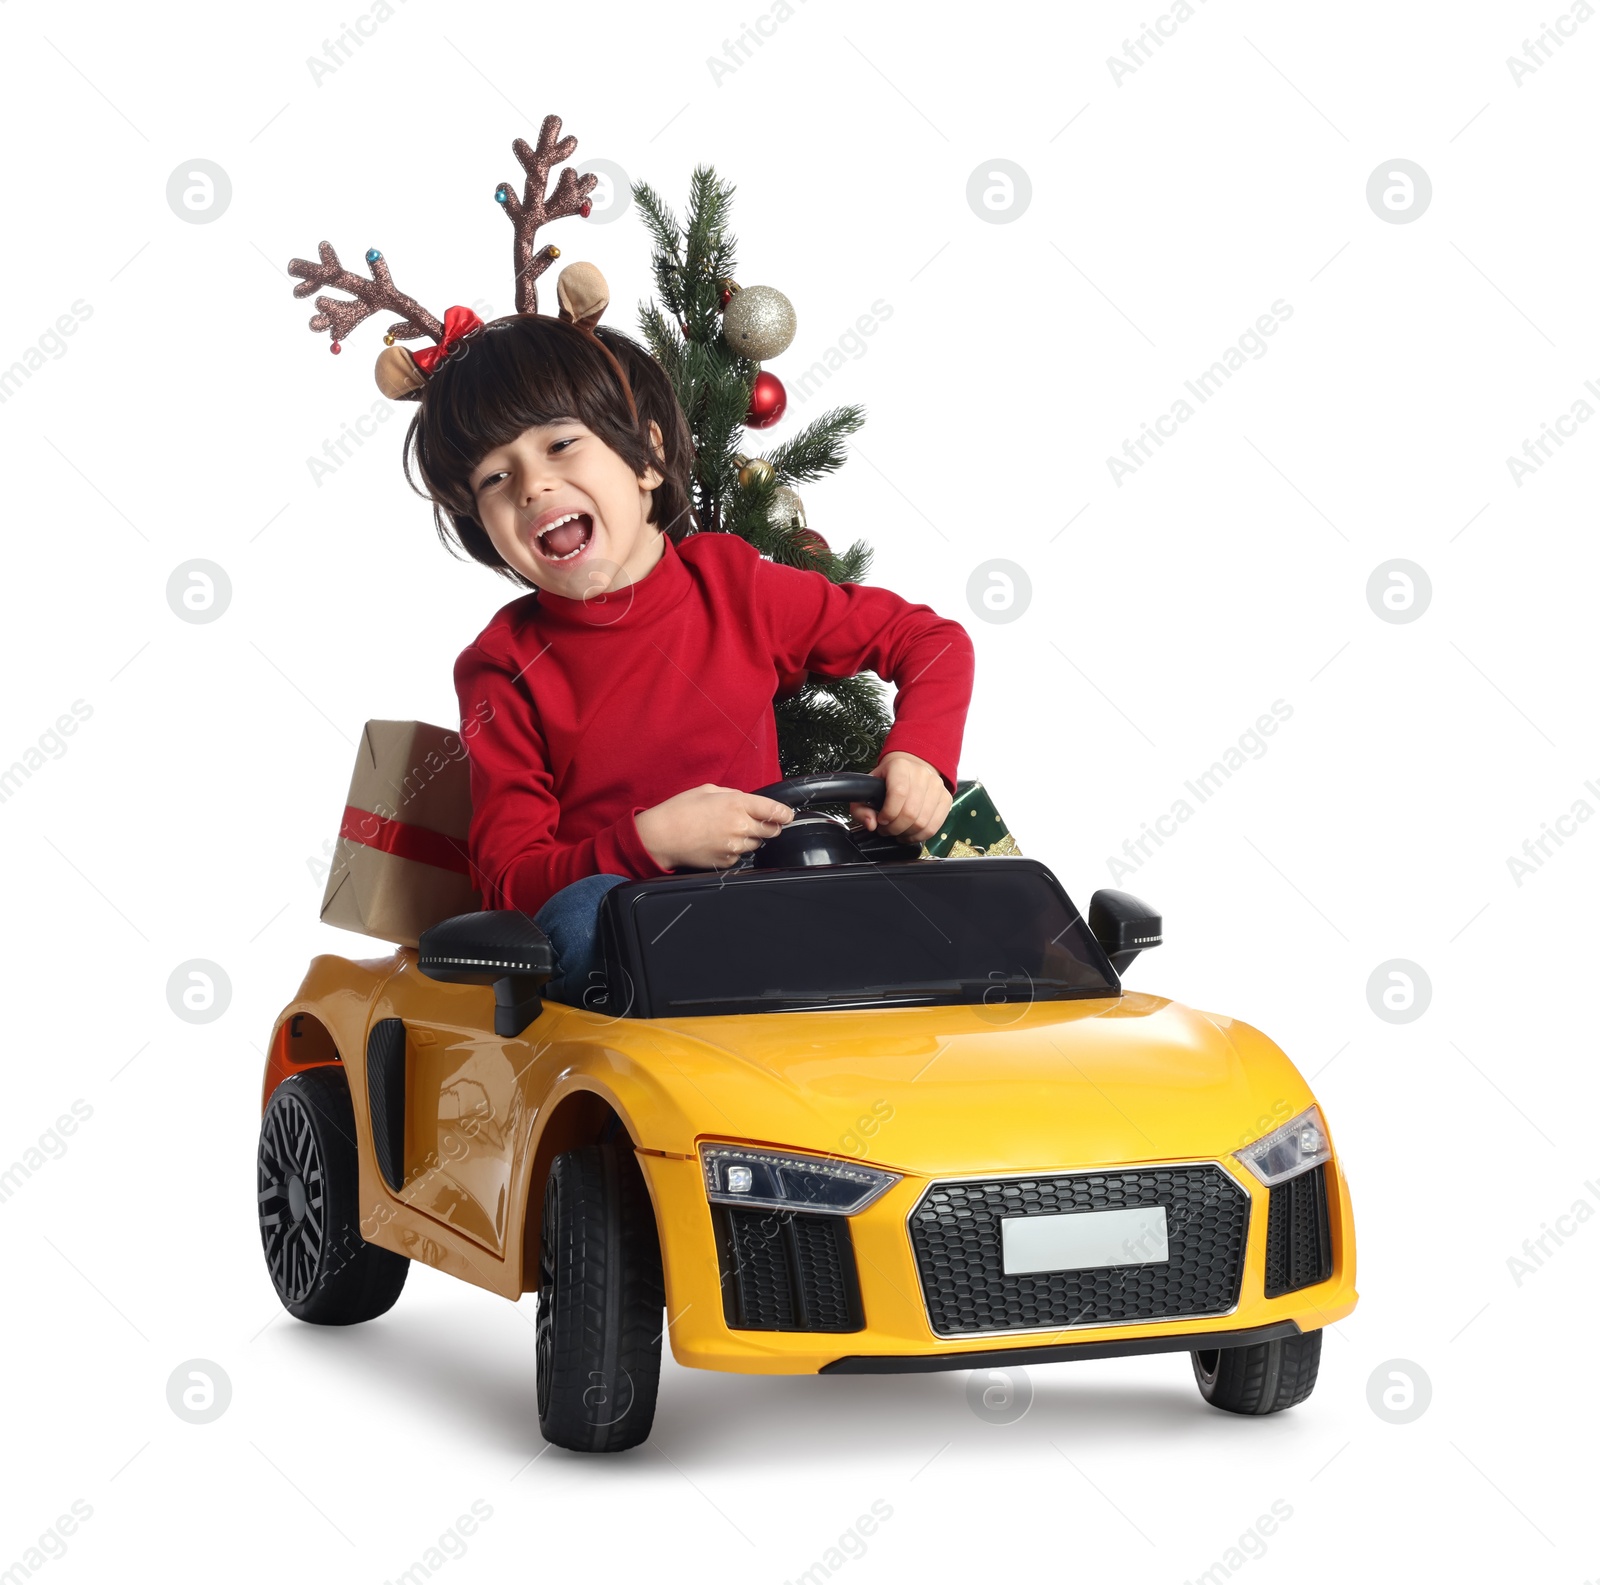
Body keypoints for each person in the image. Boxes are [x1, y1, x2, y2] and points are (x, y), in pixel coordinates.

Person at [405, 311, 975, 1006]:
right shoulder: (504, 666)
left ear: (645, 459)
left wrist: (919, 756)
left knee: (935, 888)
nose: (530, 487)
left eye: (560, 443)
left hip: (768, 901)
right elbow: (510, 882)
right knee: (586, 916)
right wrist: (651, 841)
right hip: (630, 944)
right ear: (487, 531)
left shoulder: (732, 587)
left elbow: (932, 640)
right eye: (494, 478)